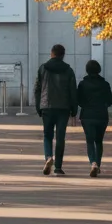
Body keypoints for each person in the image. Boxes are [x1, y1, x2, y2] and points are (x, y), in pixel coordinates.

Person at [34, 44, 78, 176]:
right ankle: (58, 167)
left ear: (51, 53)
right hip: (63, 108)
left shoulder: (43, 68)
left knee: (47, 135)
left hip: (47, 106)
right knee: (60, 137)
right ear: (63, 55)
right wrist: (74, 109)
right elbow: (73, 91)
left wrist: (39, 106)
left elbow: (37, 89)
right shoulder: (68, 70)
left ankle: (48, 157)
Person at [76, 59, 112, 177]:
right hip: (101, 115)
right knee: (99, 141)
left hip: (87, 115)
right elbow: (110, 100)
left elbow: (79, 100)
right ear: (99, 70)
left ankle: (93, 162)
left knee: (89, 140)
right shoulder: (105, 84)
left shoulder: (82, 84)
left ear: (87, 70)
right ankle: (98, 164)